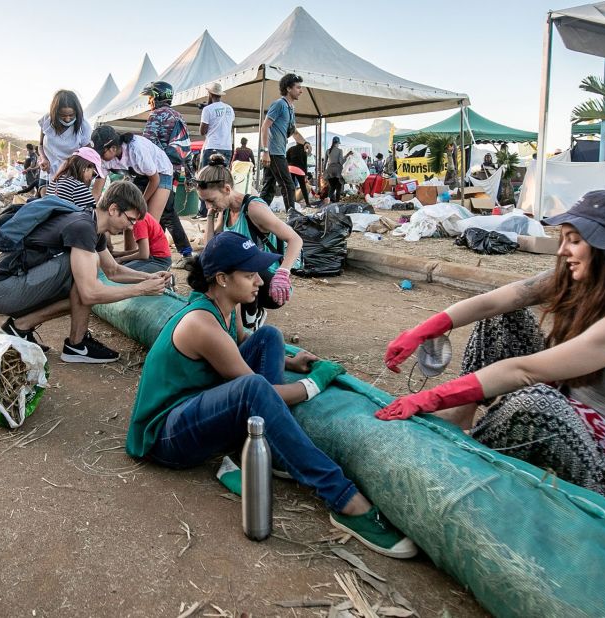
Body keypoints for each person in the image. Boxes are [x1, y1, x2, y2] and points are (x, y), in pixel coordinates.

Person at [125, 231, 417, 559]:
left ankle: (275, 451)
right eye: (250, 275)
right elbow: (257, 388)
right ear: (221, 278)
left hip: (196, 406)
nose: (260, 283)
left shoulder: (224, 305)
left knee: (269, 335)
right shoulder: (201, 324)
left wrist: (291, 360)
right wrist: (315, 383)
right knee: (254, 388)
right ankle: (343, 498)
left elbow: (241, 342)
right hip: (166, 437)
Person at [379, 190, 605, 504]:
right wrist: (422, 331)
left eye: (575, 240)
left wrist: (428, 398)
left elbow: (525, 371)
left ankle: (463, 458)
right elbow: (500, 299)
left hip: (604, 472)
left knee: (537, 404)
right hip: (571, 412)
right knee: (503, 317)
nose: (562, 250)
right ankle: (461, 419)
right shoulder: (586, 280)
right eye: (563, 238)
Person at [0, 181, 170, 362]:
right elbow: (90, 293)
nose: (131, 227)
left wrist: (149, 277)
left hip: (13, 285)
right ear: (113, 209)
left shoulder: (92, 226)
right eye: (130, 220)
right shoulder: (82, 227)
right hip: (2, 291)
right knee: (89, 270)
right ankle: (77, 345)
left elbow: (113, 270)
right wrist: (141, 289)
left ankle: (22, 328)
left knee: (86, 272)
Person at [197, 155, 303, 330]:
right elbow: (210, 249)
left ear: (227, 189)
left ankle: (251, 318)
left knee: (238, 268)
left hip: (268, 279)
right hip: (242, 275)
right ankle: (227, 318)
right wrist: (210, 215)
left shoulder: (254, 209)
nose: (209, 205)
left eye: (211, 200)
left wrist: (283, 273)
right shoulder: (224, 211)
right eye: (205, 202)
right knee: (206, 265)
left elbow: (295, 239)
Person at [91, 126, 194, 266]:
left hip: (161, 174)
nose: (99, 157)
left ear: (113, 148)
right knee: (127, 218)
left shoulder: (136, 149)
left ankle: (154, 262)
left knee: (144, 218)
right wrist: (89, 210)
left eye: (101, 153)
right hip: (139, 176)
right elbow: (97, 192)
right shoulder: (105, 158)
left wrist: (140, 204)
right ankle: (131, 260)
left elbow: (155, 179)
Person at [259, 73, 307, 214]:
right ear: (288, 89)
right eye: (298, 87)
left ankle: (256, 214)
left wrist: (305, 143)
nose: (301, 91)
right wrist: (265, 151)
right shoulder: (279, 104)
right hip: (273, 152)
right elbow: (265, 127)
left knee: (268, 188)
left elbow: (293, 132)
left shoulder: (290, 108)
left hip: (278, 152)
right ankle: (292, 217)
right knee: (288, 185)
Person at [142, 81, 194, 185]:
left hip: (160, 170)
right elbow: (186, 145)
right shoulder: (179, 116)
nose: (149, 102)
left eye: (150, 97)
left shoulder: (156, 114)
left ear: (157, 97)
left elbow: (146, 142)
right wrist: (190, 175)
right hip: (177, 171)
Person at [196, 82, 235, 219]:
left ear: (210, 94)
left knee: (205, 178)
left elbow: (203, 131)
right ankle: (224, 210)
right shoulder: (230, 109)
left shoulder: (208, 110)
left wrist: (206, 109)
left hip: (212, 146)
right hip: (227, 147)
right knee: (223, 178)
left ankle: (203, 211)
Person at [39, 90, 92, 179]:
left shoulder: (83, 126)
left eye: (71, 115)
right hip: (47, 173)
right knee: (46, 192)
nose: (67, 119)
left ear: (77, 112)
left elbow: (87, 153)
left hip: (70, 175)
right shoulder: (47, 120)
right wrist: (44, 159)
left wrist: (70, 165)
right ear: (55, 112)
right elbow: (40, 145)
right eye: (62, 115)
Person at [285, 141, 312, 207]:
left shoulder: (290, 149)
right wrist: (305, 174)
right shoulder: (304, 150)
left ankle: (292, 201)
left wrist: (289, 165)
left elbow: (286, 159)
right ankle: (307, 203)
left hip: (290, 169)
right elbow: (305, 164)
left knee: (291, 186)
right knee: (303, 187)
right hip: (300, 170)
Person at [324, 136, 344, 203]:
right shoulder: (340, 150)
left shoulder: (328, 151)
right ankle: (337, 203)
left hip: (329, 170)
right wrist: (347, 156)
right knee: (338, 188)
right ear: (338, 143)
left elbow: (325, 162)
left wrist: (324, 171)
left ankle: (328, 198)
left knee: (332, 187)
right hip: (338, 170)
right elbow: (341, 162)